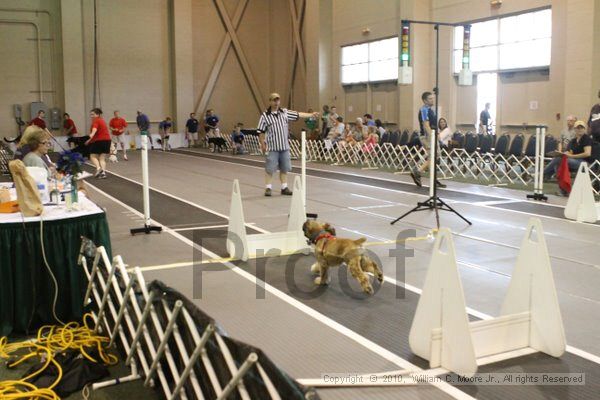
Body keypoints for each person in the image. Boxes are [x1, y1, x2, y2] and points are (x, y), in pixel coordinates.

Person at [257, 92, 318, 196]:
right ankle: (268, 188)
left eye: (278, 100)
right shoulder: (265, 116)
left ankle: (284, 187)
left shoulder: (285, 112)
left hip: (284, 147)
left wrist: (311, 115)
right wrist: (262, 143)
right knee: (270, 168)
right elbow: (260, 131)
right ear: (270, 101)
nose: (276, 102)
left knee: (285, 168)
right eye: (274, 100)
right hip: (273, 147)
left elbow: (298, 114)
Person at [411, 91, 447, 188]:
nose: (432, 100)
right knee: (433, 156)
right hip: (427, 136)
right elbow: (426, 124)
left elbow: (433, 124)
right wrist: (432, 137)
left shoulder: (431, 110)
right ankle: (418, 172)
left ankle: (424, 175)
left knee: (435, 156)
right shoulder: (424, 110)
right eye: (430, 99)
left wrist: (438, 134)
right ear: (424, 100)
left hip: (433, 135)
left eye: (432, 98)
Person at [543, 121, 592, 191]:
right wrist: (562, 154)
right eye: (578, 128)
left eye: (582, 128)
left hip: (585, 162)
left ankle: (543, 174)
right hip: (574, 161)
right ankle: (563, 189)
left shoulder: (586, 139)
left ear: (585, 129)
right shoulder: (573, 141)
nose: (580, 129)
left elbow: (587, 153)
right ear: (574, 129)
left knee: (559, 160)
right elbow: (568, 152)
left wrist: (572, 156)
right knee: (558, 163)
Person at [85, 108, 111, 179]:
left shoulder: (95, 121)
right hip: (107, 141)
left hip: (100, 141)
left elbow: (94, 131)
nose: (91, 116)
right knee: (102, 158)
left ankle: (98, 168)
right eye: (91, 114)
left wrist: (88, 139)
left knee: (92, 156)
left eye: (93, 114)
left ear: (98, 114)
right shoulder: (102, 120)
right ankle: (103, 173)